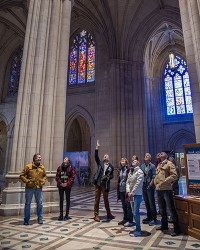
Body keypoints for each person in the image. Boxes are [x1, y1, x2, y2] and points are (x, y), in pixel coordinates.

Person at [154, 152, 181, 236]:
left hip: (166, 189)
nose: (160, 153)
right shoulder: (159, 164)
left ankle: (176, 229)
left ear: (166, 156)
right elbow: (157, 175)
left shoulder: (169, 163)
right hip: (159, 189)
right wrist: (155, 182)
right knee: (162, 209)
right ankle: (164, 225)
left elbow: (174, 175)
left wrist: (165, 181)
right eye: (160, 153)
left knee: (171, 209)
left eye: (163, 153)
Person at [20, 154, 47, 225]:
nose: (40, 159)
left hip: (39, 188)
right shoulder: (28, 166)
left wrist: (43, 181)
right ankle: (26, 219)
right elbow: (22, 175)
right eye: (38, 157)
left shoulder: (42, 167)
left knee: (40, 203)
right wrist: (28, 181)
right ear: (34, 159)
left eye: (40, 157)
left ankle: (40, 218)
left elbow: (44, 176)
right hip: (30, 188)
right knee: (28, 203)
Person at [93, 140, 115, 222]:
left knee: (106, 200)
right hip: (98, 184)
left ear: (109, 158)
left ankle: (108, 214)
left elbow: (112, 176)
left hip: (105, 185)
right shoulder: (100, 163)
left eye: (107, 156)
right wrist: (97, 148)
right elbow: (96, 157)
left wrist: (108, 177)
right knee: (97, 199)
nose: (105, 157)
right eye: (104, 156)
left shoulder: (111, 167)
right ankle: (96, 215)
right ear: (103, 158)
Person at [126, 159, 144, 237]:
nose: (133, 161)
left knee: (136, 211)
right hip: (131, 194)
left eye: (135, 160)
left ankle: (138, 230)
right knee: (133, 211)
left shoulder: (140, 172)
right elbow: (127, 182)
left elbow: (138, 184)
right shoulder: (131, 171)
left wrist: (132, 192)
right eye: (132, 161)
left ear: (138, 163)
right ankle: (137, 227)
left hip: (137, 194)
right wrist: (128, 191)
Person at [140, 153, 157, 226]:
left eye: (147, 156)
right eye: (145, 156)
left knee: (151, 202)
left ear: (150, 158)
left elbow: (154, 176)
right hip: (143, 185)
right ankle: (149, 216)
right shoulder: (142, 166)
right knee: (146, 202)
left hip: (150, 185)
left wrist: (150, 184)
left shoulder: (152, 166)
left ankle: (154, 218)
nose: (146, 156)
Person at [117, 158, 134, 227]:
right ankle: (125, 218)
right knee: (123, 205)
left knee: (128, 206)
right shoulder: (120, 170)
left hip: (127, 189)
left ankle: (130, 220)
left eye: (123, 161)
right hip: (121, 189)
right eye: (121, 161)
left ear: (126, 162)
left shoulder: (129, 170)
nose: (122, 162)